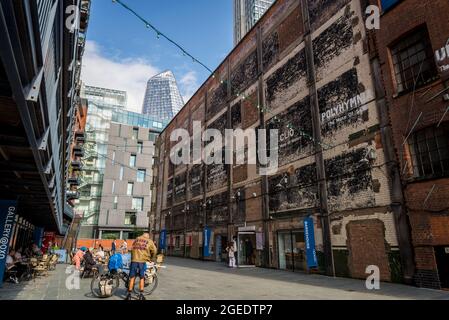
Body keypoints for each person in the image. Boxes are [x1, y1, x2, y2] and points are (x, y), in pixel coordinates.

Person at [126, 233, 157, 301]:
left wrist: (132, 258)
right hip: (142, 261)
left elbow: (132, 249)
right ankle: (141, 295)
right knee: (142, 277)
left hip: (134, 260)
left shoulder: (136, 239)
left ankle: (129, 295)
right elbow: (154, 250)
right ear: (147, 236)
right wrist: (151, 258)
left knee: (132, 277)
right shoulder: (149, 241)